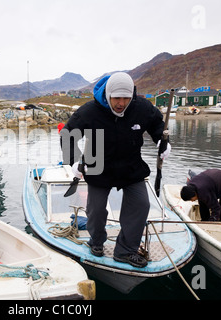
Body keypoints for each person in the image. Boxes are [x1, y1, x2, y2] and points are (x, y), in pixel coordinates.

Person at [60, 72, 170, 268]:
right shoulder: (89, 111)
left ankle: (125, 251)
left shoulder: (141, 107)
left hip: (131, 167)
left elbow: (157, 124)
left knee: (141, 205)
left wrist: (162, 140)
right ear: (108, 94)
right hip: (98, 166)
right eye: (116, 98)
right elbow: (68, 134)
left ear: (132, 96)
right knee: (95, 211)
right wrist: (74, 161)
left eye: (126, 98)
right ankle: (96, 242)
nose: (121, 103)